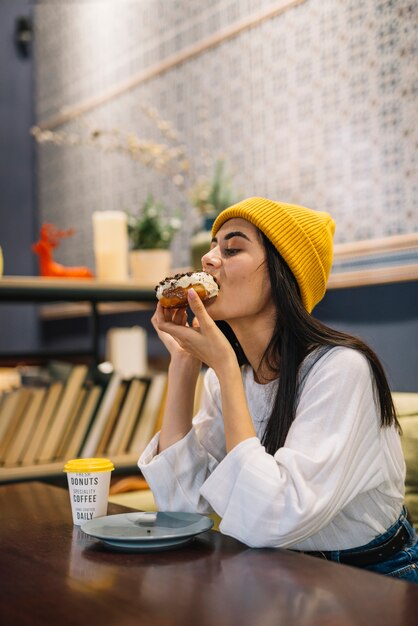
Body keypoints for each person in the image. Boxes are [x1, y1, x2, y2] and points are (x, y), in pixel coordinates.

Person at [138, 196, 418, 582]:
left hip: (372, 577)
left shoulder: (341, 370)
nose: (208, 259)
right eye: (212, 246)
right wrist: (184, 364)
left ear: (283, 274)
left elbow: (275, 518)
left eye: (232, 248)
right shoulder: (228, 378)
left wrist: (223, 367)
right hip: (280, 572)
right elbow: (183, 509)